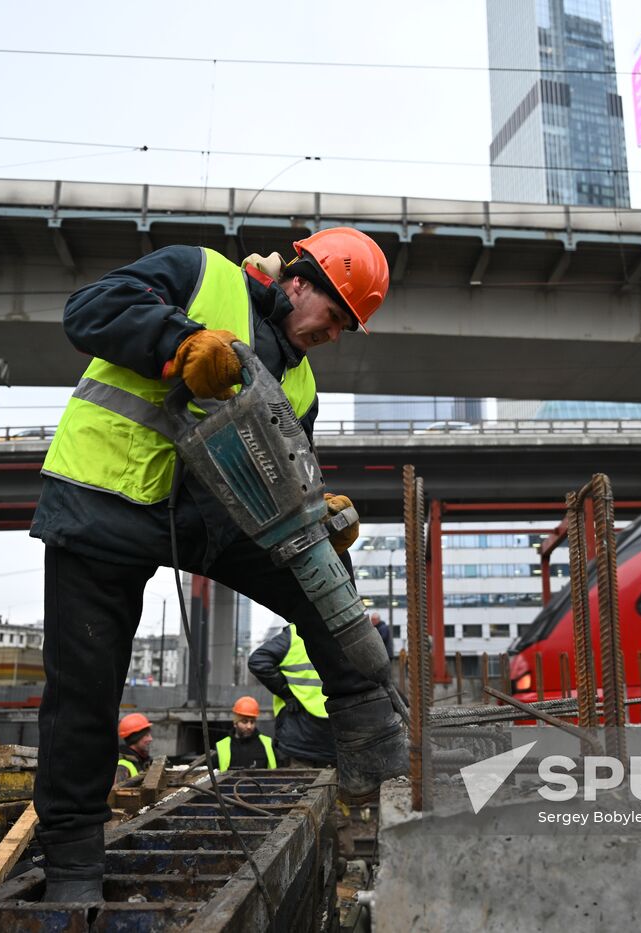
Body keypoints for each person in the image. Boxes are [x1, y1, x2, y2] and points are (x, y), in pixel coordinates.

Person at [28, 227, 407, 901]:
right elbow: (90, 309)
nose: (336, 334)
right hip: (106, 498)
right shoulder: (200, 274)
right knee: (83, 692)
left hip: (213, 522)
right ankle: (73, 865)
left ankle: (366, 724)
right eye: (336, 315)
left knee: (323, 573)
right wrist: (177, 341)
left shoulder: (302, 381)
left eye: (349, 326)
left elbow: (291, 471)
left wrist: (322, 513)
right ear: (300, 282)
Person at [249, 621, 337, 767]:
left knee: (300, 785)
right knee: (334, 784)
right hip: (334, 730)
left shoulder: (294, 635)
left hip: (298, 730)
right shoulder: (340, 633)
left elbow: (258, 661)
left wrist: (286, 693)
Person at [214, 695, 277, 770]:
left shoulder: (267, 743)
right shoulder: (222, 746)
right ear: (235, 723)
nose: (249, 726)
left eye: (252, 722)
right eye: (244, 721)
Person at [114, 712, 152, 784]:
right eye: (146, 735)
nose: (150, 739)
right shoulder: (122, 767)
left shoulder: (142, 760)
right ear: (135, 738)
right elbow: (117, 792)